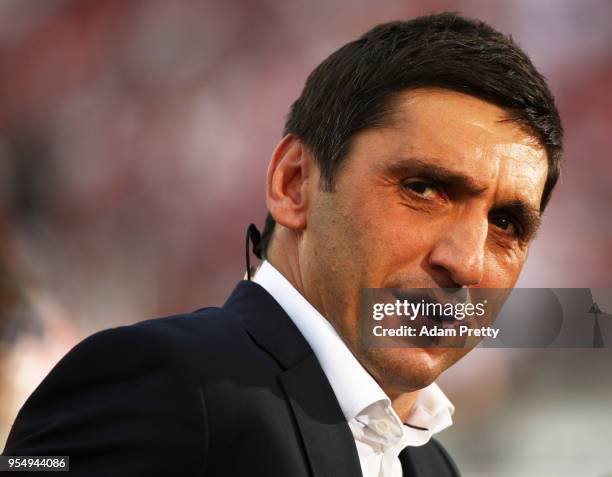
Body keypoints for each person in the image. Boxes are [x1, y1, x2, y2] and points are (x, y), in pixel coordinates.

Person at [2, 12, 563, 477]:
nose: (465, 261)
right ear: (294, 184)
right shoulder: (163, 381)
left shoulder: (432, 465)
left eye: (507, 224)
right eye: (423, 189)